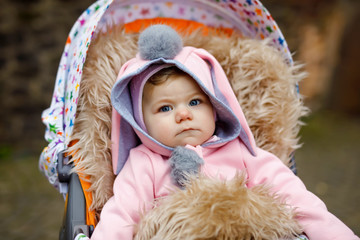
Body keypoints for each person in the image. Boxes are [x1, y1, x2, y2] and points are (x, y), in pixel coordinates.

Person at [77, 25, 358, 240]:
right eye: (164, 108)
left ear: (216, 107)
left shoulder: (243, 154)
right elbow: (121, 217)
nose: (183, 114)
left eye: (195, 102)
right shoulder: (143, 164)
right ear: (140, 123)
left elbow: (298, 201)